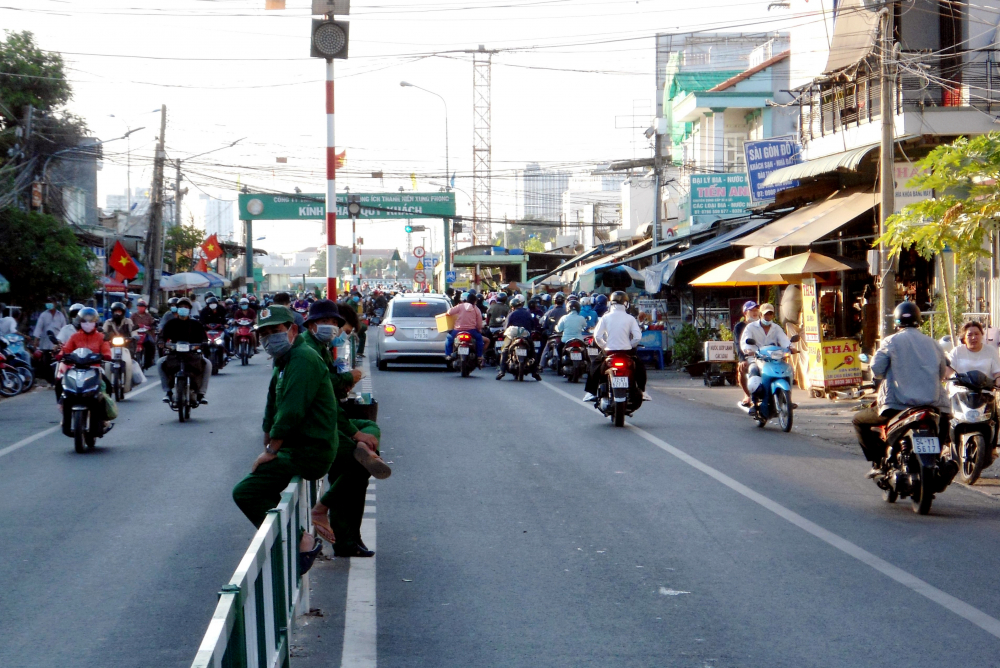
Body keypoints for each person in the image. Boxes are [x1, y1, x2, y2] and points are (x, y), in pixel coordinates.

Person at [230, 305, 336, 572]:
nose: (269, 338)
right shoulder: (285, 359)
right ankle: (296, 539)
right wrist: (268, 444)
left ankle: (301, 539)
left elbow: (291, 410)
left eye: (275, 331)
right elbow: (271, 405)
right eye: (263, 333)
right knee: (263, 484)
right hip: (294, 448)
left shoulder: (303, 358)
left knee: (245, 492)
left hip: (309, 451)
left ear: (293, 330)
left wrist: (272, 449)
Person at [299, 300, 389, 557]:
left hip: (328, 417)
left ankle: (350, 539)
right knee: (356, 467)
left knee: (370, 429)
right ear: (311, 324)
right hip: (315, 427)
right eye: (326, 322)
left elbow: (332, 393)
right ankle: (326, 513)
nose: (333, 328)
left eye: (335, 323)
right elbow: (321, 402)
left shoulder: (322, 347)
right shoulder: (308, 353)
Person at [852, 301, 952, 478]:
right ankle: (937, 460)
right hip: (933, 406)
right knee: (944, 424)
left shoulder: (891, 341)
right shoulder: (933, 343)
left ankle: (878, 461)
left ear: (897, 321)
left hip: (896, 406)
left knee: (859, 421)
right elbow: (942, 373)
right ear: (919, 320)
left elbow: (876, 368)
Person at [583, 291, 650, 402]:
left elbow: (597, 336)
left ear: (611, 303)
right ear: (626, 303)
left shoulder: (605, 317)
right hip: (627, 352)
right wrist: (630, 345)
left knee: (594, 366)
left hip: (609, 351)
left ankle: (591, 392)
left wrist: (605, 346)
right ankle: (642, 391)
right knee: (640, 367)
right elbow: (637, 337)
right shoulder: (630, 318)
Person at [57, 307, 115, 432]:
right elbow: (66, 349)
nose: (87, 323)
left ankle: (104, 415)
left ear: (95, 322)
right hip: (76, 369)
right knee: (60, 383)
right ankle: (63, 408)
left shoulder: (101, 337)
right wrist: (61, 354)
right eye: (85, 320)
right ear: (80, 321)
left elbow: (106, 351)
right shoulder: (74, 337)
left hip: (95, 369)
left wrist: (106, 355)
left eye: (90, 320)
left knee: (107, 385)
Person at [158, 297, 211, 404]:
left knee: (208, 364)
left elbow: (203, 338)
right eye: (181, 307)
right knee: (160, 363)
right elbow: (162, 336)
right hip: (174, 354)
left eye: (186, 307)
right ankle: (168, 392)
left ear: (189, 309)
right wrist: (161, 342)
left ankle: (201, 394)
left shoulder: (196, 324)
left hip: (192, 354)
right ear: (177, 309)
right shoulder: (171, 323)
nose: (183, 309)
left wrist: (203, 343)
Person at [496, 294, 542, 381]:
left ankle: (502, 371)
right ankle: (535, 372)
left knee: (505, 349)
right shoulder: (528, 313)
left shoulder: (512, 313)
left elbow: (506, 326)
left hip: (513, 333)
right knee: (532, 351)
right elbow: (532, 325)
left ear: (513, 306)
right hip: (524, 333)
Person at [445, 291, 485, 363]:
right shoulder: (476, 309)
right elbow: (479, 322)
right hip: (471, 330)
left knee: (449, 338)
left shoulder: (460, 306)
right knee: (479, 340)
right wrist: (479, 330)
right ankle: (479, 356)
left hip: (458, 330)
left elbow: (449, 312)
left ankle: (448, 355)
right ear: (475, 301)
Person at [733, 301, 760, 408]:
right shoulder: (740, 327)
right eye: (752, 310)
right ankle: (748, 395)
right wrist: (742, 359)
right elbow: (738, 344)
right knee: (742, 369)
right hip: (748, 356)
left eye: (756, 310)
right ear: (745, 313)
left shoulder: (762, 325)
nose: (754, 312)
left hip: (764, 355)